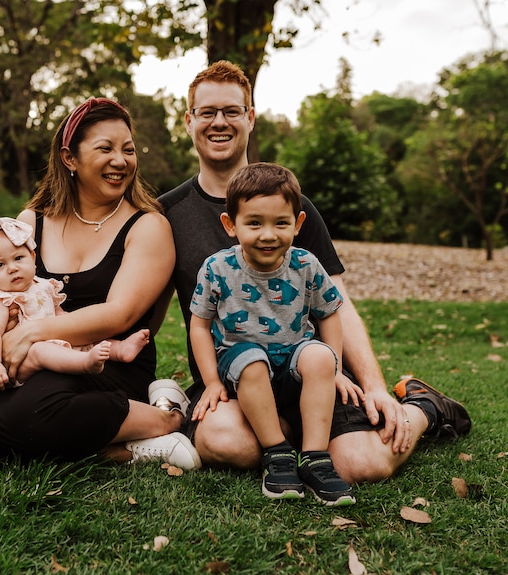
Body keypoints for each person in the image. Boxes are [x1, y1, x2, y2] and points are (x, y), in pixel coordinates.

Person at [157, 60, 471, 484]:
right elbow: (144, 309)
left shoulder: (292, 206)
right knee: (225, 443)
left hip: (310, 371)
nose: (220, 122)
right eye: (207, 111)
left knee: (363, 464)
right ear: (189, 119)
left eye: (232, 111)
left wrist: (373, 385)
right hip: (234, 381)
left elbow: (337, 305)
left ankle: (423, 406)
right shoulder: (167, 215)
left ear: (250, 118)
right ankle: (291, 441)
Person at [0, 97, 200, 470]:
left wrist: (31, 335)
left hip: (106, 364)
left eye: (128, 150)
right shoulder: (30, 222)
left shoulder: (147, 226)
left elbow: (120, 314)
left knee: (37, 410)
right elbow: (3, 299)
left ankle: (166, 420)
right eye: (105, 148)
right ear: (69, 158)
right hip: (38, 369)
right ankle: (116, 447)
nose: (120, 160)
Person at [189, 162, 354, 505]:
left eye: (281, 223)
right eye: (254, 223)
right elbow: (200, 325)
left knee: (320, 354)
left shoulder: (306, 265)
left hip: (294, 355)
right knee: (252, 361)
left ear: (298, 224)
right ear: (230, 225)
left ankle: (314, 457)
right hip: (240, 359)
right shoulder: (217, 268)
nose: (268, 234)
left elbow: (330, 314)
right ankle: (277, 453)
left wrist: (335, 369)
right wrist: (212, 382)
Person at [0, 215, 151, 392]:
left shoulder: (42, 286)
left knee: (83, 334)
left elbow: (58, 314)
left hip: (52, 343)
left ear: (33, 258)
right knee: (40, 350)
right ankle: (85, 363)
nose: (12, 268)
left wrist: (71, 326)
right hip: (23, 359)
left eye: (18, 258)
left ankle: (120, 350)